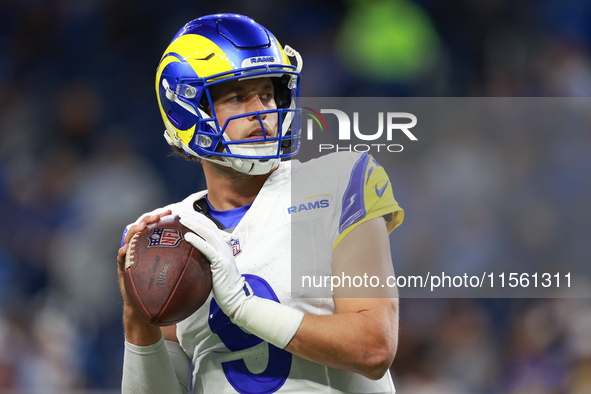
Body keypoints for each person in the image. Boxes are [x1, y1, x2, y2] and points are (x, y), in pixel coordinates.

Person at [117, 13, 404, 393]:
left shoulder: (342, 181)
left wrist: (242, 307)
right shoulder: (167, 232)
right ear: (186, 110)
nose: (263, 112)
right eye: (238, 97)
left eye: (267, 94)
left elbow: (374, 346)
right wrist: (138, 324)